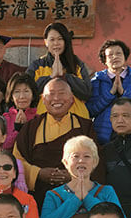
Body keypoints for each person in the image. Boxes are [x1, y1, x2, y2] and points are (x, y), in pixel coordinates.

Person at [40, 136, 121, 218]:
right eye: (75, 156)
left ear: (95, 162)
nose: (81, 160)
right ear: (65, 162)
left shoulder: (106, 191)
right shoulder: (54, 195)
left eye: (87, 156)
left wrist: (87, 198)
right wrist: (76, 199)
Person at [14, 78, 95, 208]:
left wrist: (74, 175)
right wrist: (38, 173)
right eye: (51, 94)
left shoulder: (85, 127)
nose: (56, 98)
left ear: (72, 100)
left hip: (77, 196)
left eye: (62, 93)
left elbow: (97, 161)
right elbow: (17, 160)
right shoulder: (31, 128)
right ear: (43, 100)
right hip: (40, 197)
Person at [26, 22, 92, 119]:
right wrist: (51, 77)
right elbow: (28, 92)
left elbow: (87, 92)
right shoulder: (37, 65)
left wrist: (66, 76)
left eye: (60, 39)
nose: (56, 43)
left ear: (66, 41)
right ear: (46, 42)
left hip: (76, 119)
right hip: (45, 120)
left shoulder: (76, 64)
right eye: (52, 39)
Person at [87, 40, 131, 145]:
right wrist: (110, 94)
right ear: (105, 60)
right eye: (110, 55)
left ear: (125, 56)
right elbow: (91, 110)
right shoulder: (97, 81)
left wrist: (123, 93)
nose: (115, 57)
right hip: (102, 137)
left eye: (118, 53)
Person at [2, 72, 39, 150]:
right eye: (17, 92)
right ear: (11, 97)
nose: (22, 96)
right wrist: (17, 130)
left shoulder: (38, 118)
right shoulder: (5, 119)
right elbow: (3, 146)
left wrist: (27, 128)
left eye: (26, 91)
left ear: (33, 95)